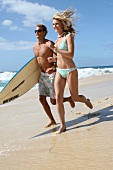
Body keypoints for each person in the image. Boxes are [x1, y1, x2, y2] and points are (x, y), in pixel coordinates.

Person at [47, 8, 93, 134]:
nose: (54, 26)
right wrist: (53, 60)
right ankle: (63, 125)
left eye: (56, 23)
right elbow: (60, 56)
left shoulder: (69, 36)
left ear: (62, 24)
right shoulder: (56, 40)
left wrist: (55, 50)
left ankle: (85, 100)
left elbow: (70, 54)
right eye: (53, 24)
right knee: (58, 98)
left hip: (70, 70)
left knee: (75, 97)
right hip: (59, 71)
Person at [33, 24, 75, 128]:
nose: (37, 33)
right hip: (42, 76)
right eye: (35, 31)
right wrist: (36, 77)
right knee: (41, 99)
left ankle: (69, 99)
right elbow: (37, 62)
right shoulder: (34, 47)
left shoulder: (49, 44)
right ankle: (52, 120)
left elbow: (59, 56)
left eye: (39, 31)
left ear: (44, 32)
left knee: (53, 101)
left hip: (51, 74)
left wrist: (54, 67)